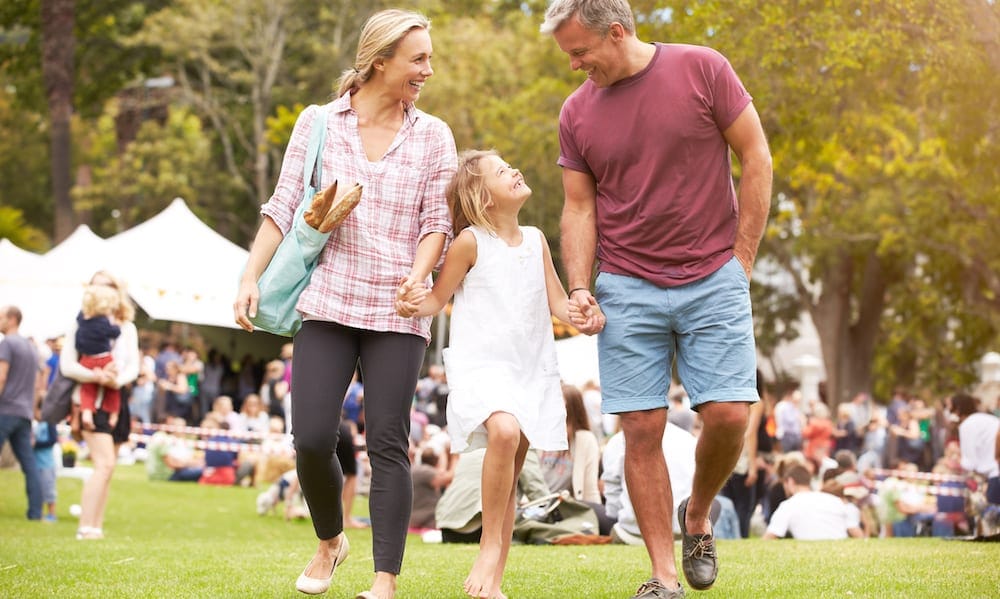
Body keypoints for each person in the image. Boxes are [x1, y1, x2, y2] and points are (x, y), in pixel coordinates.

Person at [541, 0, 772, 595]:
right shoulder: (576, 112)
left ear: (615, 33)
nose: (574, 66)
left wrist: (741, 259)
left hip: (713, 275)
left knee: (728, 416)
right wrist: (580, 285)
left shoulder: (702, 68)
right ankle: (663, 577)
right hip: (626, 284)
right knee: (640, 429)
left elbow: (755, 156)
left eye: (579, 51)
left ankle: (696, 514)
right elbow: (579, 206)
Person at [233, 10, 460, 598]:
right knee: (309, 436)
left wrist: (418, 280)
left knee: (387, 441)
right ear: (379, 60)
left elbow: (437, 221)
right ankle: (331, 539)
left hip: (398, 312)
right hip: (328, 300)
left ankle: (384, 582)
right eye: (418, 60)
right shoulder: (318, 123)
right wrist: (249, 276)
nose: (427, 70)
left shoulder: (434, 135)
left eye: (428, 59)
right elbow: (283, 205)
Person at [395, 148, 603, 599]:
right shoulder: (470, 241)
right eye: (501, 170)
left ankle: (494, 582)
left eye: (512, 164)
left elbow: (559, 304)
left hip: (530, 365)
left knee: (510, 468)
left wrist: (583, 311)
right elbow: (435, 300)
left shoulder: (535, 240)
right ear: (481, 196)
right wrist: (413, 300)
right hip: (483, 362)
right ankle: (488, 548)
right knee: (504, 434)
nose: (515, 169)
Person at [60, 271, 140, 540]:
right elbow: (67, 365)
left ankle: (96, 525)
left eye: (107, 286)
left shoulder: (127, 328)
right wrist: (96, 376)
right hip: (90, 400)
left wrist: (117, 380)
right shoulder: (81, 323)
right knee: (103, 464)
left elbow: (133, 366)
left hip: (117, 398)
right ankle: (85, 526)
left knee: (109, 468)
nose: (101, 290)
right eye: (95, 285)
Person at [0, 305, 44, 520]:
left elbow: (1, 376)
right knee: (29, 464)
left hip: (5, 409)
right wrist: (34, 408)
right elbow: (38, 383)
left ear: (12, 319)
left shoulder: (7, 343)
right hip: (24, 412)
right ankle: (35, 512)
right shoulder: (30, 347)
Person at [762, 464, 864, 540]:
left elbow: (770, 536)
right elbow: (854, 530)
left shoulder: (788, 505)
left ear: (790, 482)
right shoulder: (834, 500)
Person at [74, 284, 122, 431]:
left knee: (87, 390)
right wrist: (116, 325)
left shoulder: (82, 318)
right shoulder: (102, 321)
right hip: (103, 358)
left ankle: (87, 413)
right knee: (112, 388)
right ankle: (113, 414)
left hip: (86, 359)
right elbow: (114, 333)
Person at [950, 393, 1000, 506]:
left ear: (957, 409)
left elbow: (969, 463)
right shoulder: (988, 419)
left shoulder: (967, 425)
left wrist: (956, 460)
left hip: (994, 477)